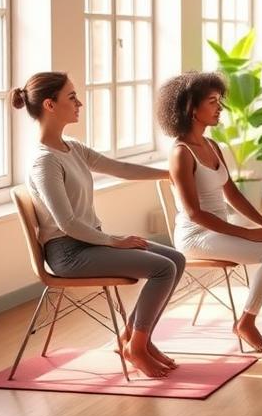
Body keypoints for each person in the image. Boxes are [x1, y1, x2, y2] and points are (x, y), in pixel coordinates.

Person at [13, 72, 185, 379]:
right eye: (71, 97)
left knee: (176, 258)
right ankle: (137, 346)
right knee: (164, 269)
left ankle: (133, 340)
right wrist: (113, 241)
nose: (79, 103)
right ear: (50, 105)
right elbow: (66, 223)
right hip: (68, 253)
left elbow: (118, 168)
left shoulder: (72, 148)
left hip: (89, 243)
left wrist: (168, 173)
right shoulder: (45, 162)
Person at [157, 72, 262, 353]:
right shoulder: (180, 153)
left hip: (220, 229)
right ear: (191, 108)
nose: (220, 108)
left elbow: (233, 193)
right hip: (196, 236)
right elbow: (194, 214)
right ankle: (246, 323)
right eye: (213, 101)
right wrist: (249, 234)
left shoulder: (212, 145)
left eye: (219, 101)